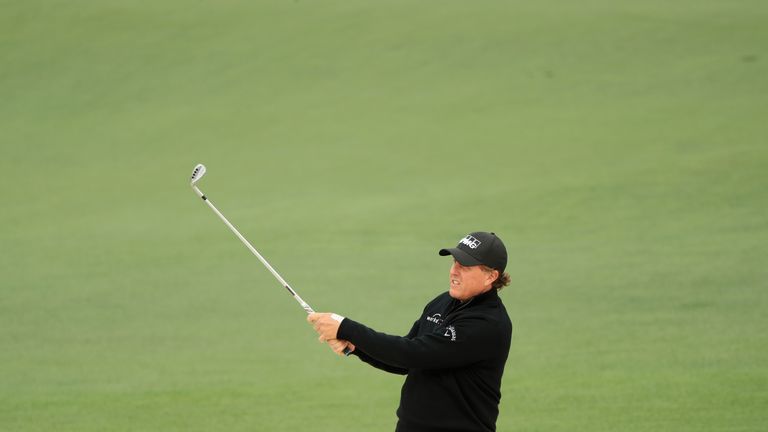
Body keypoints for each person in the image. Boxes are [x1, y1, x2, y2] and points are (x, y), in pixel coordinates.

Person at [308, 231, 513, 432]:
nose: (454, 271)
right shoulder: (443, 302)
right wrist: (355, 346)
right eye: (454, 262)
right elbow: (405, 363)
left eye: (465, 266)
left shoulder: (488, 324)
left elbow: (413, 353)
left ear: (491, 276)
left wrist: (346, 327)